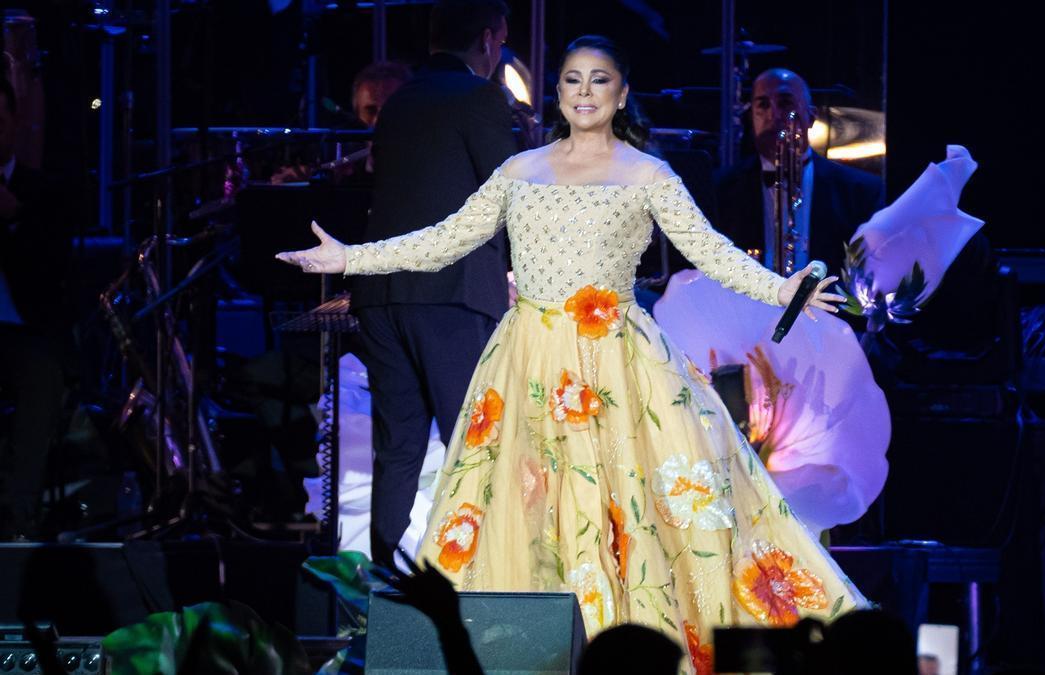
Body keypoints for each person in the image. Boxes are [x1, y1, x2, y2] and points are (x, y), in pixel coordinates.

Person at [277, 34, 865, 666]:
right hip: (528, 360)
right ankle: (516, 657)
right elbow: (443, 240)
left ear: (621, 93)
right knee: (524, 505)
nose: (585, 92)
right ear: (557, 93)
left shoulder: (647, 175)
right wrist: (350, 259)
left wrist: (783, 289)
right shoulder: (519, 172)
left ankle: (625, 650)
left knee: (629, 506)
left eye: (599, 80)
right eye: (573, 80)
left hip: (615, 362)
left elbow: (710, 250)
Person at [347, 0, 516, 570]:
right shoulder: (481, 97)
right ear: (491, 40)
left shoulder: (400, 100)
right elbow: (509, 194)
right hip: (452, 294)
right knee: (472, 446)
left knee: (397, 450)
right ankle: (477, 587)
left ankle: (386, 591)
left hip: (382, 296)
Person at [715, 68, 885, 275]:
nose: (773, 115)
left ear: (811, 116)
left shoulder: (861, 193)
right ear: (751, 117)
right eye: (763, 105)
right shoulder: (719, 190)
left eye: (785, 103)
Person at [0, 77, 69, 541]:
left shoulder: (41, 191)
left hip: (20, 329)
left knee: (42, 375)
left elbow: (53, 276)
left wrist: (14, 218)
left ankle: (17, 516)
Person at [269, 60, 411, 184]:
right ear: (357, 114)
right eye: (370, 110)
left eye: (391, 108)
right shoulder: (345, 169)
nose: (380, 120)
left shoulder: (427, 165)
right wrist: (308, 180)